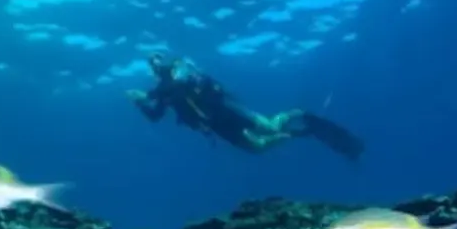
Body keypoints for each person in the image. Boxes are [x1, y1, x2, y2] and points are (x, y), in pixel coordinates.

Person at [127, 54, 364, 160]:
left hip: (227, 109)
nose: (155, 65)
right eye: (152, 64)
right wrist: (140, 103)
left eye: (157, 60)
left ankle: (297, 113)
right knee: (257, 148)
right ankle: (298, 132)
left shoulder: (178, 70)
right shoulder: (161, 90)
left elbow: (178, 84)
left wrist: (146, 94)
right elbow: (155, 116)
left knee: (269, 126)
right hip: (214, 124)